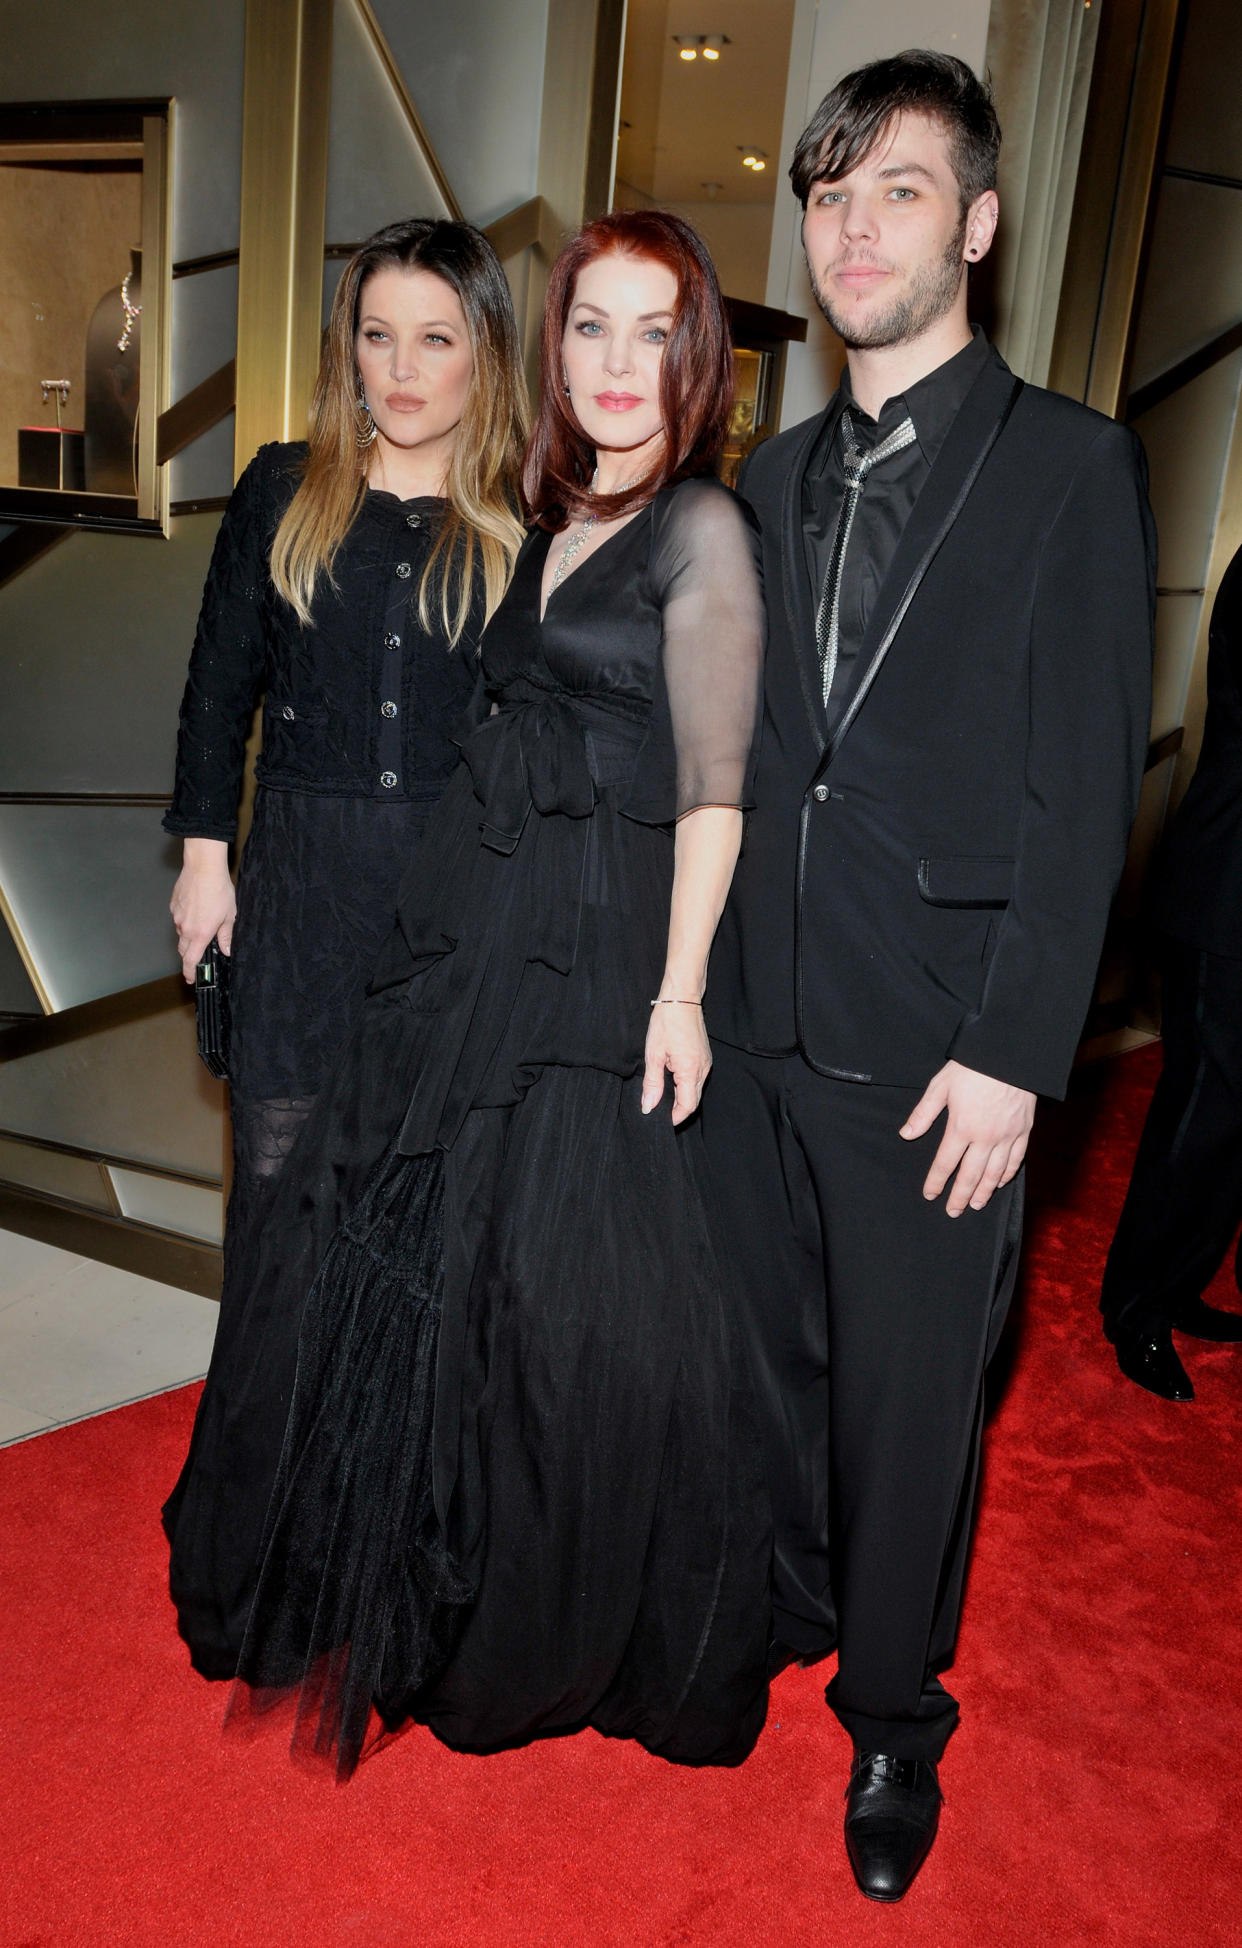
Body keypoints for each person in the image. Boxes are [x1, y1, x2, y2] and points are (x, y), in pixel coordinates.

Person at [219, 209, 770, 1778]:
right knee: (464, 1274)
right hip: (485, 925)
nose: (613, 362)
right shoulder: (556, 516)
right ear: (555, 352)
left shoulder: (699, 529)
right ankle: (454, 1584)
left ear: (694, 355)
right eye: (586, 325)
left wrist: (677, 994)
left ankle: (576, 1613)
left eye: (647, 330)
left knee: (580, 1301)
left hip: (601, 948)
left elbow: (717, 784)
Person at [699, 51, 1155, 1901]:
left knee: (909, 1405)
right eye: (827, 193)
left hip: (939, 1052)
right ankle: (769, 1600)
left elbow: (1080, 786)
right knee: (767, 1368)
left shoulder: (1068, 464)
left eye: (896, 189)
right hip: (758, 1019)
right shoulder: (773, 470)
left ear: (973, 223)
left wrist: (1016, 1051)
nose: (854, 225)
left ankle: (894, 1711)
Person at [161, 218, 529, 1680]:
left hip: (448, 915)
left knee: (417, 1242)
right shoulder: (279, 493)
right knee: (280, 1229)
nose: (401, 367)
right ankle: (254, 1555)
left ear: (482, 350)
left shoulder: (523, 523)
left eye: (435, 335)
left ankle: (379, 1560)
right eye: (375, 335)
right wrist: (203, 859)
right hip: (301, 892)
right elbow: (215, 694)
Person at [1101, 541, 1242, 1401]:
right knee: (1204, 1113)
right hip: (1227, 895)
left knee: (1236, 1120)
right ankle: (1137, 1306)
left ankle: (1184, 1285)